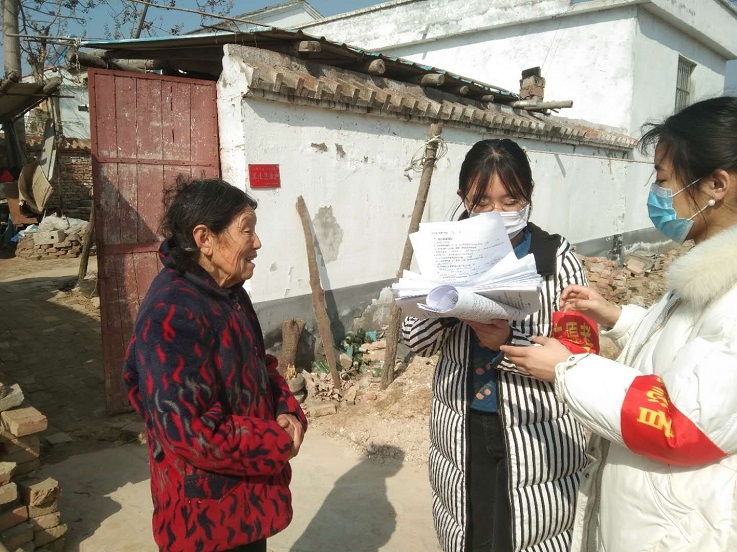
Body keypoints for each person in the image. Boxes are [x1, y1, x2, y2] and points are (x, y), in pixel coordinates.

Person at [501, 96, 737, 552]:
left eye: (663, 179)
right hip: (652, 513)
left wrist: (567, 369)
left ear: (716, 184)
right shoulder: (709, 272)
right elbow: (687, 351)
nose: (657, 194)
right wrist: (617, 317)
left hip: (679, 529)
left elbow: (685, 422)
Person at [402, 139, 589, 552]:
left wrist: (509, 341)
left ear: (529, 194)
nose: (497, 213)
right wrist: (449, 304)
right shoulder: (445, 253)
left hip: (537, 427)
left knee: (526, 533)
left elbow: (579, 356)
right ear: (463, 197)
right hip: (462, 423)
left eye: (510, 201)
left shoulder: (556, 259)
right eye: (482, 202)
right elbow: (416, 341)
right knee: (472, 532)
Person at [123, 177, 307, 552]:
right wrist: (276, 441)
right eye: (246, 230)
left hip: (244, 496)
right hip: (205, 516)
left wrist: (285, 409)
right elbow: (191, 430)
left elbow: (259, 363)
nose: (257, 242)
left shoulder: (229, 293)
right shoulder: (171, 313)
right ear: (204, 238)